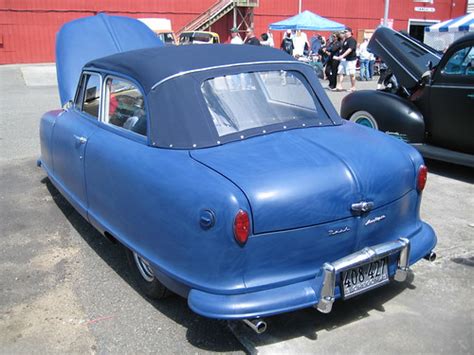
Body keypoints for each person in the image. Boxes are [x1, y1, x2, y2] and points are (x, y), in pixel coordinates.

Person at [334, 27, 357, 91]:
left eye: (346, 32)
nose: (345, 33)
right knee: (340, 72)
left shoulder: (352, 40)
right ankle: (339, 86)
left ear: (350, 32)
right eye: (344, 32)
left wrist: (342, 56)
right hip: (344, 59)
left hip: (351, 59)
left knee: (351, 73)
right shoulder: (345, 40)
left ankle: (353, 86)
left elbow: (350, 49)